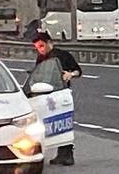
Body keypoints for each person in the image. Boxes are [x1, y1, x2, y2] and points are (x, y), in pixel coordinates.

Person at [32, 32, 82, 166]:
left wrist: (70, 74)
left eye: (42, 46)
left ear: (49, 42)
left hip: (61, 94)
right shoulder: (41, 58)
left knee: (63, 122)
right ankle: (60, 154)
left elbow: (78, 71)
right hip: (45, 94)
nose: (40, 49)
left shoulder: (62, 55)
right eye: (37, 47)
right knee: (50, 124)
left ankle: (68, 154)